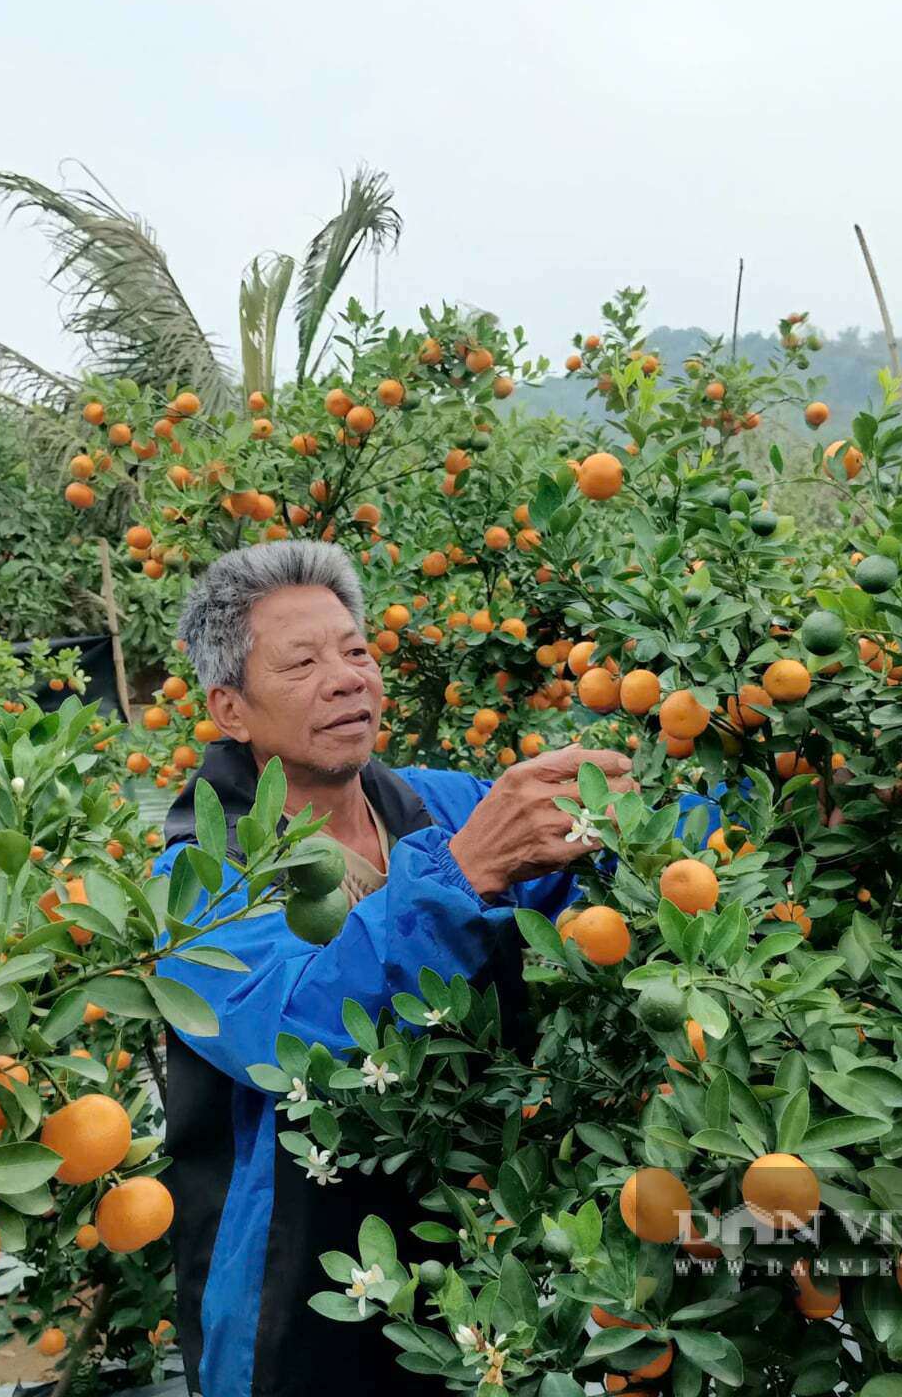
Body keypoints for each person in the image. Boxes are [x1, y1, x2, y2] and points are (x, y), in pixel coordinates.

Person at [149, 541, 716, 1396]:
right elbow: (303, 1028)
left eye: (356, 651)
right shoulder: (198, 877)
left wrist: (719, 784)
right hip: (296, 1290)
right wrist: (465, 872)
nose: (346, 678)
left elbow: (599, 884)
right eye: (302, 663)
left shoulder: (435, 803)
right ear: (231, 709)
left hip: (476, 1248)